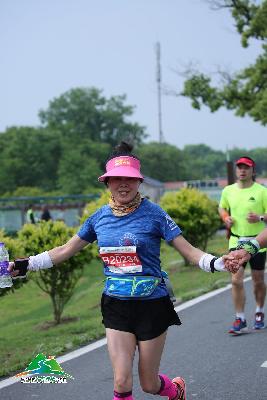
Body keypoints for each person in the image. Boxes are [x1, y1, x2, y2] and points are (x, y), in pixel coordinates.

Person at [9, 142, 239, 400]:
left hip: (152, 304)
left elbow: (189, 251)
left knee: (149, 384)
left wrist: (218, 262)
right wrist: (26, 264)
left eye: (129, 178)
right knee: (121, 381)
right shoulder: (98, 218)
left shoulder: (155, 214)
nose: (123, 184)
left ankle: (175, 390)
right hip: (116, 304)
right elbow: (65, 250)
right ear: (107, 183)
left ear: (139, 182)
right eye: (116, 178)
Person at [219, 156, 267, 334]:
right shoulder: (228, 191)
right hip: (236, 241)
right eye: (239, 167)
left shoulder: (262, 191)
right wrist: (226, 218)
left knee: (258, 281)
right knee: (235, 279)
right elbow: (222, 207)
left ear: (253, 171)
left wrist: (260, 217)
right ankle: (240, 318)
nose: (242, 170)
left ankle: (259, 311)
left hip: (258, 241)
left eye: (246, 167)